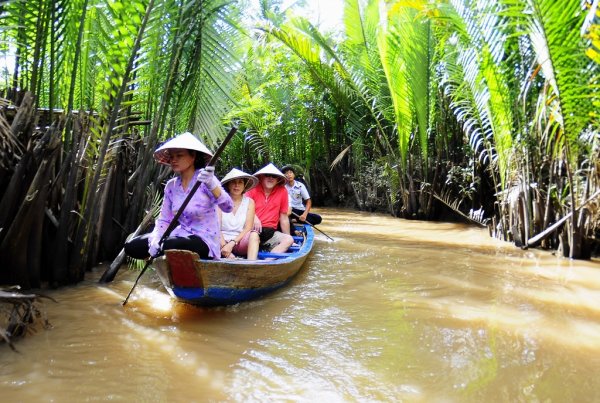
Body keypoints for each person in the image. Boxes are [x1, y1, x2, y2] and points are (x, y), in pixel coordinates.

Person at [124, 132, 233, 260]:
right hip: (180, 235)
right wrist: (156, 238)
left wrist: (212, 184)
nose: (174, 160)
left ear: (193, 157)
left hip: (204, 239)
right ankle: (162, 259)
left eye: (179, 155)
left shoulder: (206, 179)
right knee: (132, 246)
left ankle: (166, 253)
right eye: (171, 156)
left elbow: (228, 207)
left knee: (171, 244)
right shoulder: (171, 186)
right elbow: (165, 219)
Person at [245, 163, 294, 253]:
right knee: (253, 236)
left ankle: (268, 261)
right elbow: (243, 207)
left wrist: (288, 235)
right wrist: (254, 217)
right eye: (267, 175)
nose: (270, 178)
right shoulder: (252, 188)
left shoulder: (282, 191)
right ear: (261, 177)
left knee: (289, 240)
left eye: (274, 176)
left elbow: (283, 217)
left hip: (270, 233)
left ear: (278, 179)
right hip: (252, 231)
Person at [218, 168, 260, 260]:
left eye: (240, 182)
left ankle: (251, 265)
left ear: (244, 185)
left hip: (240, 240)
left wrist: (232, 242)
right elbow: (216, 228)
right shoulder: (220, 201)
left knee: (254, 235)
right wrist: (224, 246)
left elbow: (248, 228)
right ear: (228, 185)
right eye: (233, 182)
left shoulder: (250, 202)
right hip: (221, 241)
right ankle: (229, 257)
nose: (236, 185)